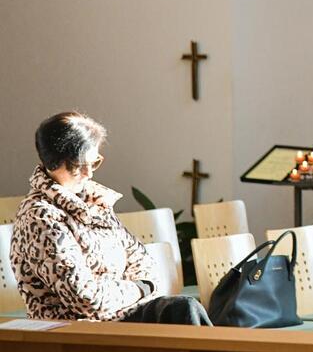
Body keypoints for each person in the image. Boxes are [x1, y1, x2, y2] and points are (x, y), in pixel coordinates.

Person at [10, 111, 210, 324]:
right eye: (80, 166)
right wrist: (139, 288)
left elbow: (142, 260)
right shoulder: (40, 216)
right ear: (54, 163)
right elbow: (85, 299)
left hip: (121, 316)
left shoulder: (93, 201)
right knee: (182, 311)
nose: (89, 173)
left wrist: (135, 287)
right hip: (75, 329)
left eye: (94, 162)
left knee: (185, 308)